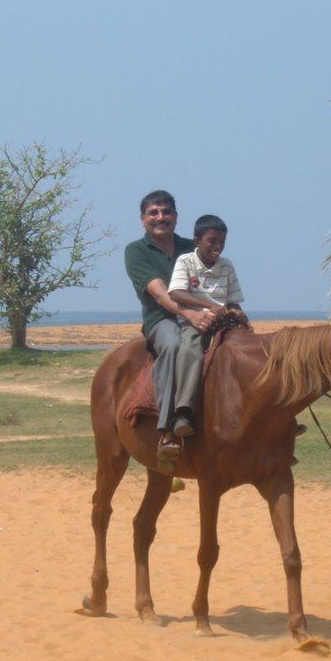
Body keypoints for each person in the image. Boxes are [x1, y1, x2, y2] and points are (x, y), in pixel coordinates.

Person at [124, 190, 217, 468]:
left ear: (176, 217)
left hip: (200, 313)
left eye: (166, 212)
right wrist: (189, 314)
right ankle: (166, 430)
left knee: (241, 341)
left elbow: (214, 281)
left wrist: (221, 310)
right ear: (143, 219)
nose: (160, 217)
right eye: (153, 212)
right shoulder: (137, 251)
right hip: (162, 319)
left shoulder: (193, 247)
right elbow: (162, 295)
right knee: (173, 345)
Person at [167, 214, 247, 436]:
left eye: (221, 241)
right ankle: (183, 410)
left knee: (252, 350)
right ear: (197, 241)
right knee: (190, 349)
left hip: (223, 323)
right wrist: (208, 305)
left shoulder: (227, 266)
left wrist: (237, 313)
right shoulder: (186, 262)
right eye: (212, 241)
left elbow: (233, 300)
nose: (217, 247)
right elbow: (176, 293)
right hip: (194, 322)